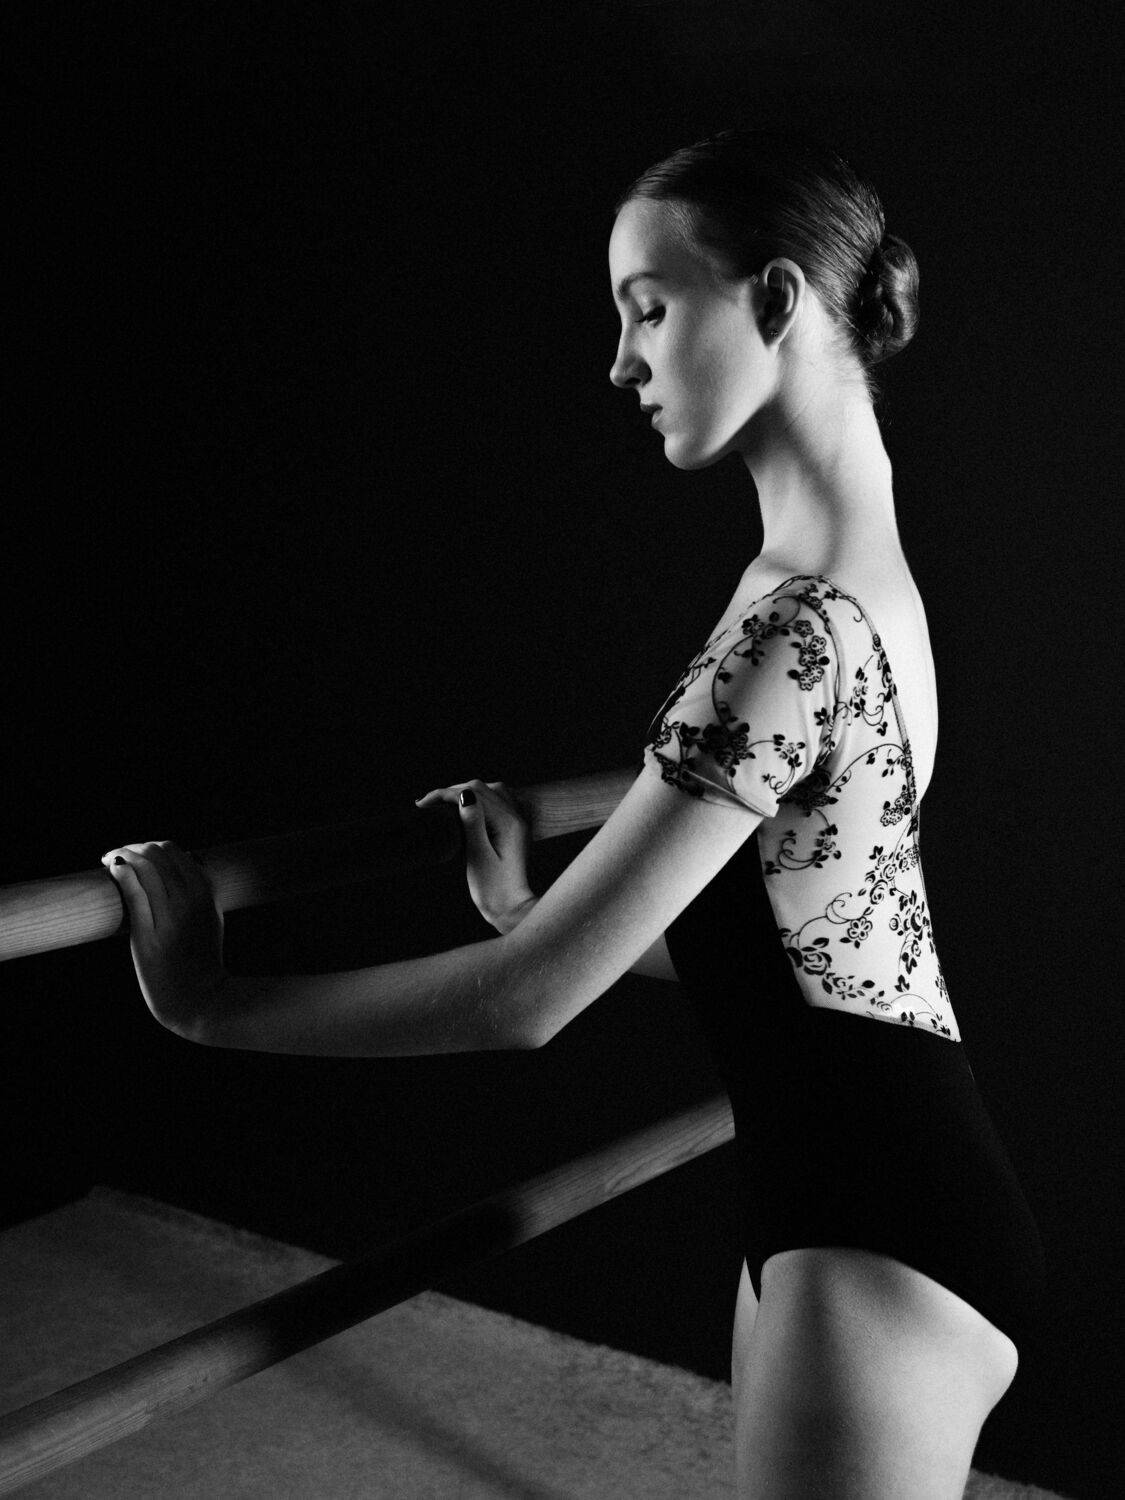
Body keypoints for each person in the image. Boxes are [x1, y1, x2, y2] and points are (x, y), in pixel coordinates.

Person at [104, 128, 1046, 1497]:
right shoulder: (860, 577)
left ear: (776, 300)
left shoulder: (796, 626)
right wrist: (528, 903)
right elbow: (804, 930)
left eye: (648, 310)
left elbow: (526, 1005)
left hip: (875, 1238)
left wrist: (210, 1006)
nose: (620, 363)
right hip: (873, 1204)